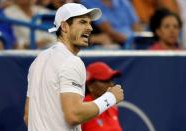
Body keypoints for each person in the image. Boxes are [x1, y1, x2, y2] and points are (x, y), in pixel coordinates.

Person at [24, 3, 124, 131]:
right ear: (64, 26)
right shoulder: (71, 61)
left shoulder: (38, 61)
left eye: (89, 23)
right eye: (82, 22)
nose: (90, 28)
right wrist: (110, 98)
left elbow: (28, 117)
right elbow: (73, 114)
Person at [82, 62, 122, 131]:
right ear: (90, 85)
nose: (111, 84)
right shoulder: (82, 109)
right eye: (105, 80)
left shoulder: (113, 108)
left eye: (111, 80)